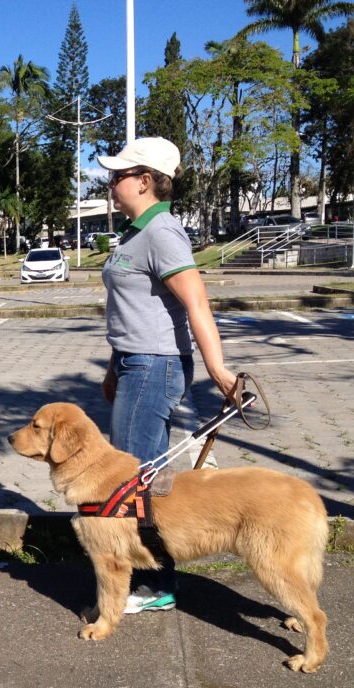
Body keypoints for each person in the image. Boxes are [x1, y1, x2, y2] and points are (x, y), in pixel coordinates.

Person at [97, 137, 237, 614]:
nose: (111, 182)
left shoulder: (162, 232)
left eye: (118, 175)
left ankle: (151, 584)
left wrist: (218, 369)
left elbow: (195, 302)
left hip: (155, 366)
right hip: (136, 364)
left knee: (132, 480)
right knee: (145, 476)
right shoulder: (135, 232)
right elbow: (134, 309)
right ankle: (155, 580)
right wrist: (115, 366)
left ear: (144, 180)